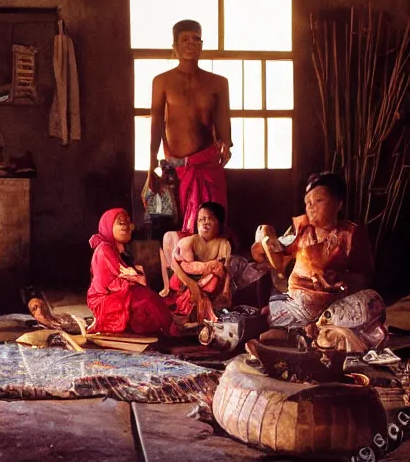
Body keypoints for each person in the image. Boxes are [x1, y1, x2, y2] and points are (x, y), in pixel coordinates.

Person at [252, 172, 386, 349]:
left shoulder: (351, 234)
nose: (311, 207)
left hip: (333, 308)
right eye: (308, 203)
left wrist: (341, 278)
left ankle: (301, 334)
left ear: (338, 204)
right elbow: (275, 256)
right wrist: (266, 240)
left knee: (373, 302)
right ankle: (313, 335)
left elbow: (365, 278)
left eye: (319, 200)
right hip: (298, 306)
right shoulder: (301, 229)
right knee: (264, 315)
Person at [148, 20, 231, 234]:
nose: (190, 44)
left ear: (202, 45)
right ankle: (182, 268)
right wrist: (151, 169)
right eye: (185, 39)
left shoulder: (219, 82)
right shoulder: (162, 81)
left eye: (196, 39)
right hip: (177, 170)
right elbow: (156, 124)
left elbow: (223, 123)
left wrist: (227, 146)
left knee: (212, 226)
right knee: (178, 230)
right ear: (174, 46)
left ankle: (213, 267)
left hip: (208, 167)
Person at [87, 208, 179, 336]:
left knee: (149, 299)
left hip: (120, 292)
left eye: (127, 222)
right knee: (146, 302)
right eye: (120, 222)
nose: (125, 226)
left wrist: (136, 276)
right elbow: (119, 278)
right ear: (108, 225)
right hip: (106, 298)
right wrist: (136, 277)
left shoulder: (116, 249)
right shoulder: (104, 249)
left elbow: (130, 275)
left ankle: (168, 329)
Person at [164, 202, 232, 323]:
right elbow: (177, 265)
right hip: (185, 280)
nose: (205, 223)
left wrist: (225, 290)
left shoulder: (223, 243)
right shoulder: (191, 240)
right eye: (201, 220)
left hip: (208, 285)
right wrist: (192, 284)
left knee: (218, 271)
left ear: (219, 222)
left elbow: (225, 270)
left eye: (210, 219)